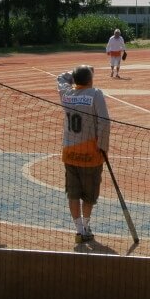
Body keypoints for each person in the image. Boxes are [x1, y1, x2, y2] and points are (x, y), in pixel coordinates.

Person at [57, 65, 110, 244]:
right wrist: (102, 147)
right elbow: (104, 122)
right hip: (90, 153)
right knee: (89, 194)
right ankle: (86, 227)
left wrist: (72, 74)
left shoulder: (66, 94)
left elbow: (60, 78)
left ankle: (78, 229)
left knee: (73, 193)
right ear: (90, 80)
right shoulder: (96, 94)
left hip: (70, 152)